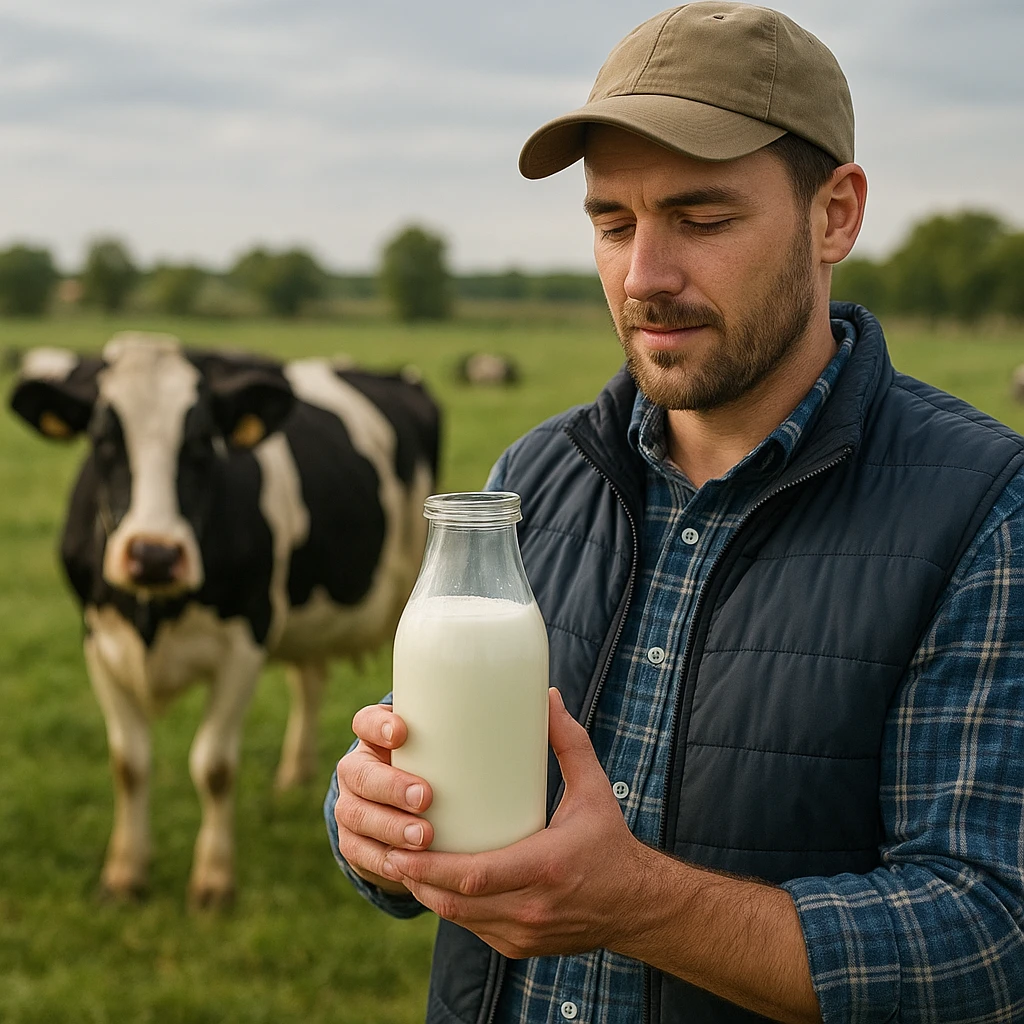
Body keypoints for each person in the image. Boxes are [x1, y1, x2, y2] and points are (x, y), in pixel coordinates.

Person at [325, 4, 1024, 1022]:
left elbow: (988, 934)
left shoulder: (984, 510)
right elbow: (428, 779)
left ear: (835, 214)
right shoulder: (533, 474)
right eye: (612, 223)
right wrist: (371, 822)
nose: (643, 276)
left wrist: (640, 904)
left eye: (702, 219)